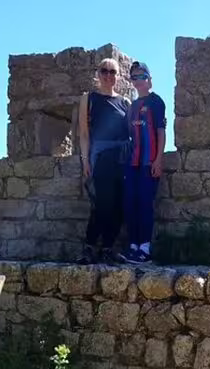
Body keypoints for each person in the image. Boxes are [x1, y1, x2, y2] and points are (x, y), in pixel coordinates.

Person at [77, 58, 131, 264]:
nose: (109, 75)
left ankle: (108, 248)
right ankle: (89, 247)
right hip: (101, 157)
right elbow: (84, 133)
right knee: (102, 203)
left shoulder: (125, 102)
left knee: (119, 204)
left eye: (113, 72)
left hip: (123, 156)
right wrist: (85, 161)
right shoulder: (88, 99)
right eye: (104, 71)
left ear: (118, 76)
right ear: (98, 74)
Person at [119, 61, 166, 264]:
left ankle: (145, 249)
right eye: (134, 77)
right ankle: (133, 246)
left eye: (141, 76)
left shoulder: (156, 102)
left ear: (149, 79)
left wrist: (158, 159)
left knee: (145, 204)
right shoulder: (133, 106)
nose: (138, 80)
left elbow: (161, 132)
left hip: (149, 162)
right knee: (130, 203)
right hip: (133, 163)